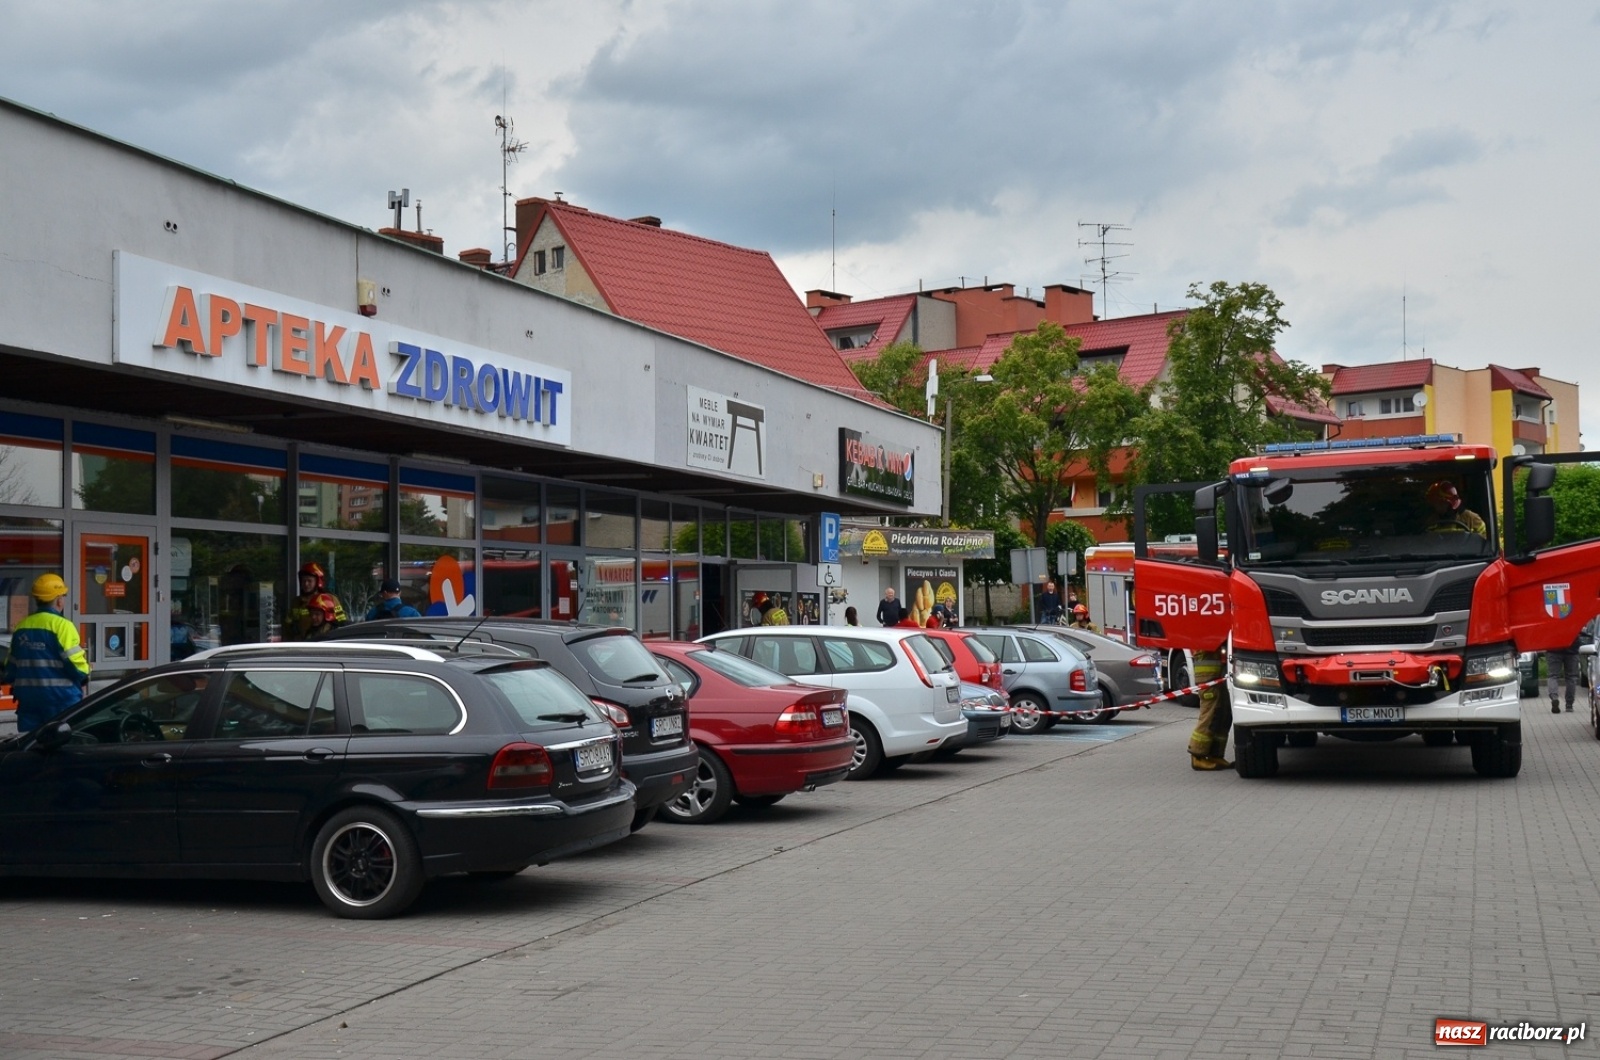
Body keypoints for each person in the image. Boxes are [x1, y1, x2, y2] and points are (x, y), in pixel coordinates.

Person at [3, 573, 90, 733]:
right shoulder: (63, 626)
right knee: (63, 744)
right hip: (62, 702)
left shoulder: (22, 626)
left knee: (31, 745)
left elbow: (10, 671)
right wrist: (87, 672)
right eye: (63, 596)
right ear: (58, 600)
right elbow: (78, 669)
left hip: (29, 704)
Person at [1188, 649, 1232, 770]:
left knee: (1222, 716)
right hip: (1207, 675)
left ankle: (1216, 754)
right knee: (1209, 715)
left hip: (1217, 674)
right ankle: (1197, 756)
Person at [286, 561, 349, 640]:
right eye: (303, 581)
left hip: (326, 640)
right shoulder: (296, 602)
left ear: (318, 582)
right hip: (303, 642)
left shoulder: (330, 600)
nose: (306, 584)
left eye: (309, 581)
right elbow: (288, 624)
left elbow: (342, 621)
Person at [1547, 633, 1582, 713]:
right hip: (1572, 649)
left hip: (1553, 648)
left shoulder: (1552, 622)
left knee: (1553, 676)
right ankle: (1569, 705)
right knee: (1571, 677)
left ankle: (1554, 697)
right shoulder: (1573, 623)